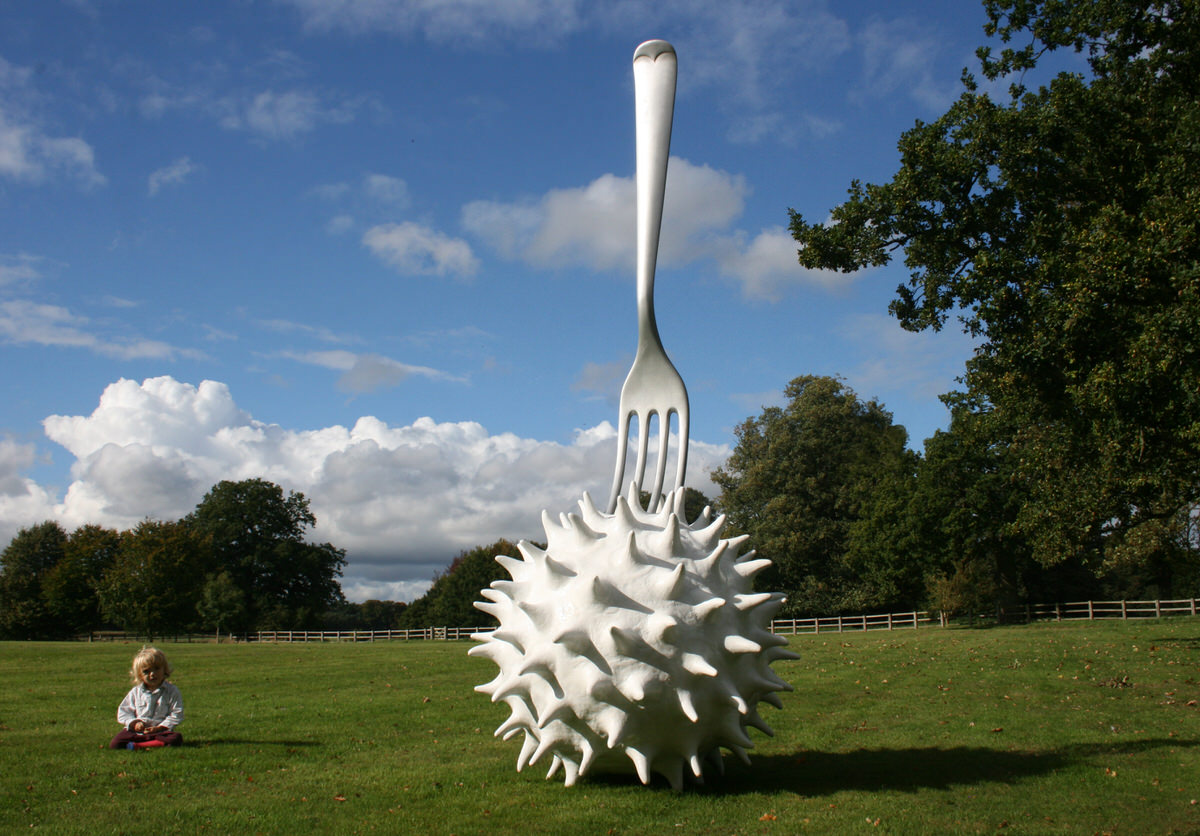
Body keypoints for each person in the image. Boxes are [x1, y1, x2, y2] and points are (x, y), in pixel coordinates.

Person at [108, 646, 184, 750]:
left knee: (175, 738)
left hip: (160, 732)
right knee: (116, 743)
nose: (152, 674)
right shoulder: (136, 692)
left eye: (157, 669)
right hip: (138, 731)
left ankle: (139, 745)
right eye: (146, 671)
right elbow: (124, 711)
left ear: (164, 669)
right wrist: (134, 723)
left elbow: (176, 713)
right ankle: (149, 743)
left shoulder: (171, 691)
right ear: (140, 675)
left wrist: (160, 727)